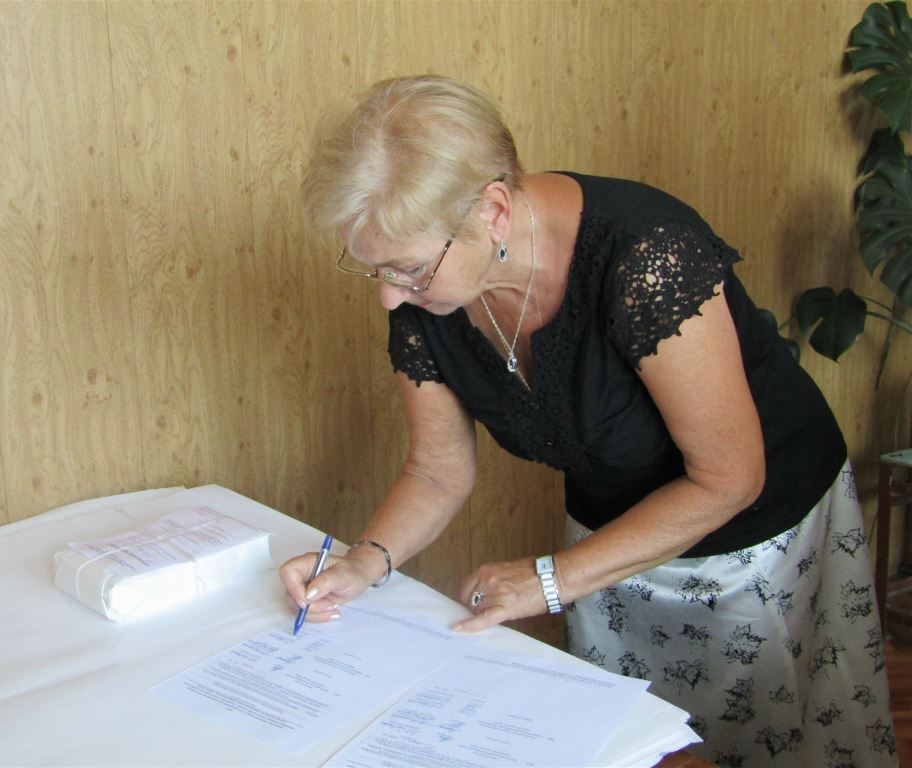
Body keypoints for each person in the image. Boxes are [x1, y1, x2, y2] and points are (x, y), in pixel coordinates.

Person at [279, 74, 897, 767]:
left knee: (765, 743)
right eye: (376, 272)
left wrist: (551, 579)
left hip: (753, 539)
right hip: (607, 544)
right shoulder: (429, 299)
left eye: (409, 269)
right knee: (632, 743)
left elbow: (729, 478)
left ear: (493, 211)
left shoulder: (646, 255)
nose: (392, 299)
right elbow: (435, 471)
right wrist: (364, 563)